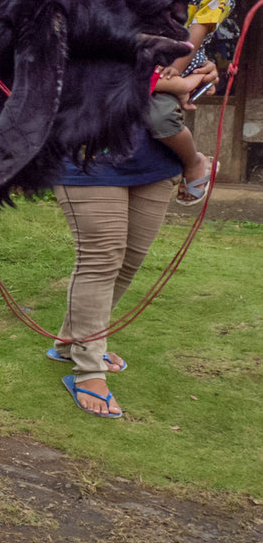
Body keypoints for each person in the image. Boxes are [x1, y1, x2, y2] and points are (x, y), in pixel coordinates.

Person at [49, 62, 220, 419]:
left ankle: (73, 342)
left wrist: (199, 73)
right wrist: (171, 82)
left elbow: (173, 64)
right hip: (87, 155)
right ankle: (89, 370)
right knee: (101, 259)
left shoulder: (170, 17)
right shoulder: (82, 14)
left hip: (155, 160)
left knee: (128, 261)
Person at [146, 0, 234, 206]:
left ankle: (194, 161)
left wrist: (173, 74)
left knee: (158, 116)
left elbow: (192, 39)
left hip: (183, 62)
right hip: (148, 58)